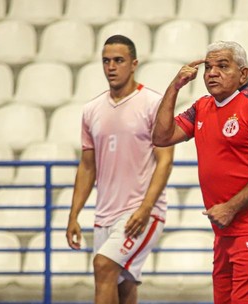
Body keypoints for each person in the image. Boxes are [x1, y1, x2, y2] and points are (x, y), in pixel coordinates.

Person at [152, 41, 248, 304]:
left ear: (243, 74)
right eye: (208, 67)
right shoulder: (202, 106)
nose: (212, 73)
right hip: (224, 231)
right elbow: (161, 136)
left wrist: (231, 207)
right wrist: (175, 87)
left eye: (222, 66)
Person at [66, 35, 174, 304]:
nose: (111, 67)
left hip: (142, 212)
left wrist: (146, 207)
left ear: (134, 64)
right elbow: (87, 166)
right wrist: (74, 215)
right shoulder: (92, 110)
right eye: (106, 61)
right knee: (123, 284)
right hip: (104, 215)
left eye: (118, 60)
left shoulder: (153, 103)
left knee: (103, 266)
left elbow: (165, 160)